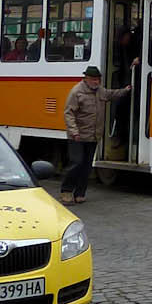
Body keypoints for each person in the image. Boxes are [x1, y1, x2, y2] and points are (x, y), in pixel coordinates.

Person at [60, 65, 129, 205]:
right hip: (77, 136)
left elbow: (111, 94)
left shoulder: (100, 91)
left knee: (86, 166)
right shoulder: (77, 92)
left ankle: (80, 193)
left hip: (93, 136)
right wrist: (74, 132)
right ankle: (66, 192)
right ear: (86, 78)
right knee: (76, 163)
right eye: (93, 79)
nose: (96, 82)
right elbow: (69, 113)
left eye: (98, 79)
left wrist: (126, 90)